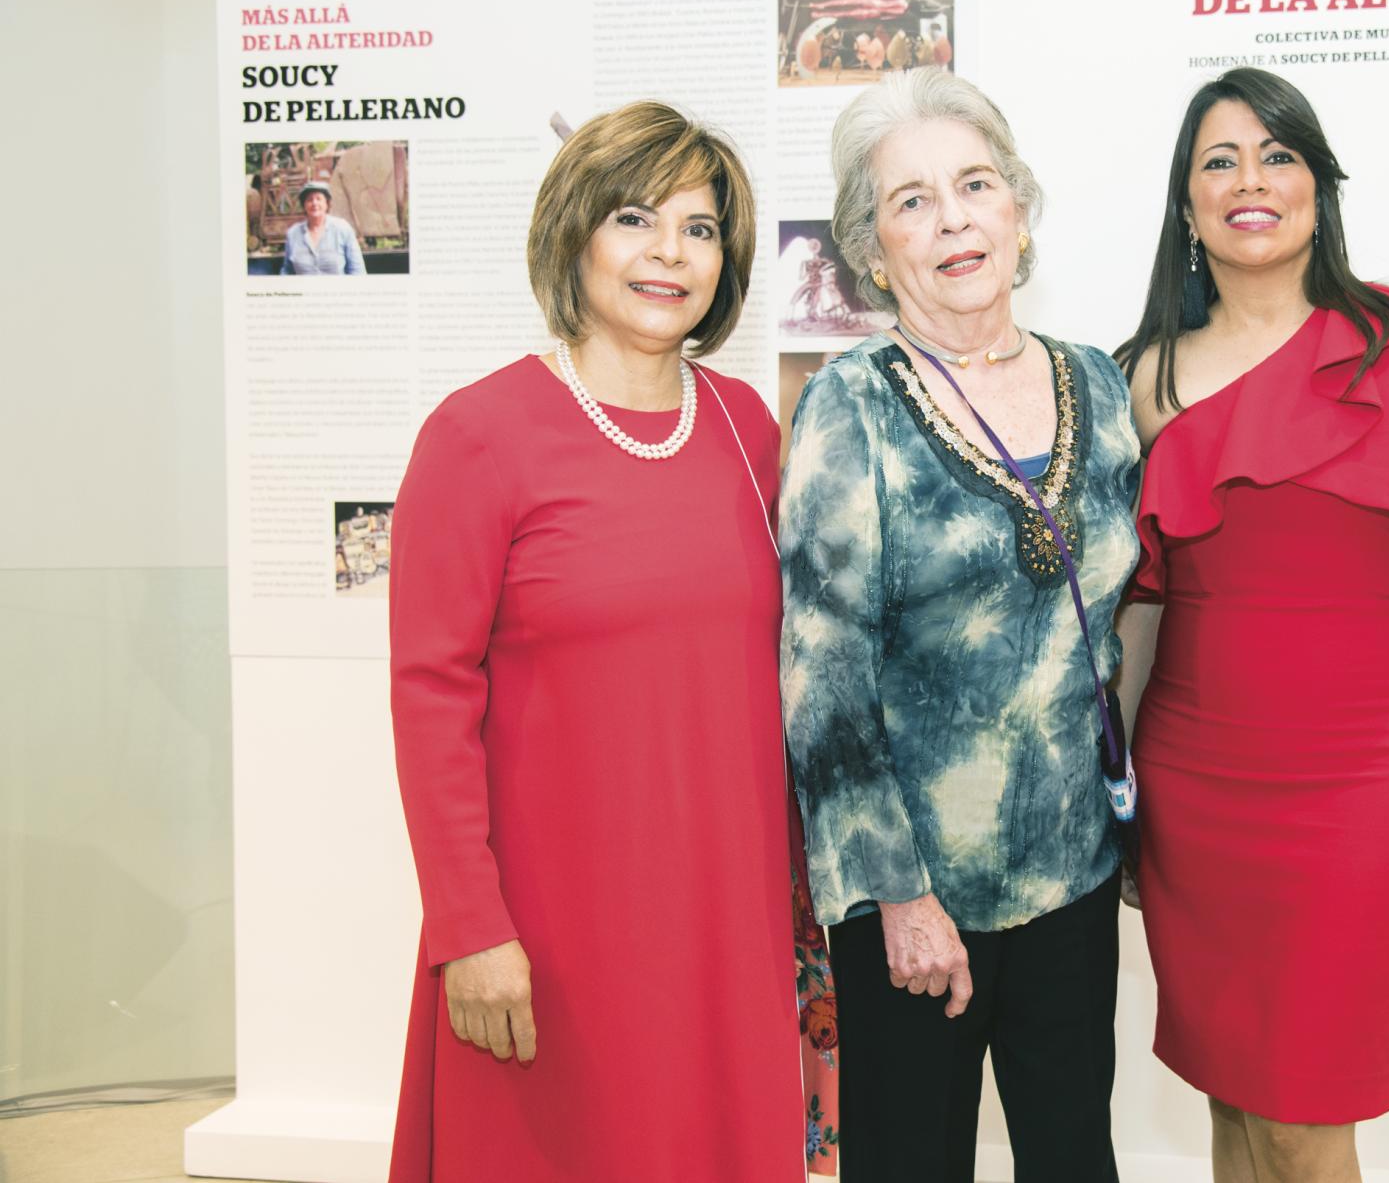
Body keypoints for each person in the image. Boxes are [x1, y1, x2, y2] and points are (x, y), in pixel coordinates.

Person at [386, 101, 816, 1181]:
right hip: (551, 929)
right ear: (573, 232)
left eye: (701, 228)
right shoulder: (478, 435)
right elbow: (430, 696)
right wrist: (467, 928)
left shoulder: (742, 426)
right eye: (635, 219)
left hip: (724, 913)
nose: (670, 253)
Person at [1115, 67, 1389, 1183]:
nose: (1250, 181)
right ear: (1185, 202)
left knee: (1304, 1115)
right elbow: (1138, 605)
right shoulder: (1139, 380)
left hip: (1365, 774)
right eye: (1219, 160)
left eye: (1277, 154)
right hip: (1195, 776)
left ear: (1316, 185)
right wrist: (1123, 795)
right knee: (1233, 1101)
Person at [781, 66, 1140, 1183]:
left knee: (1075, 1160)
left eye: (974, 185)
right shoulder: (850, 404)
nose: (951, 220)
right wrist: (898, 895)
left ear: (1017, 213)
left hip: (1072, 879)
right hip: (916, 904)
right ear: (871, 251)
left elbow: (1115, 622)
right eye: (910, 201)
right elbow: (822, 679)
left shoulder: (1098, 381)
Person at [281, 179, 367, 274]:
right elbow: (287, 271)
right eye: (309, 199)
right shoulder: (293, 234)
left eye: (319, 199)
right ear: (304, 205)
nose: (314, 203)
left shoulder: (342, 229)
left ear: (327, 204)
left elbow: (357, 270)